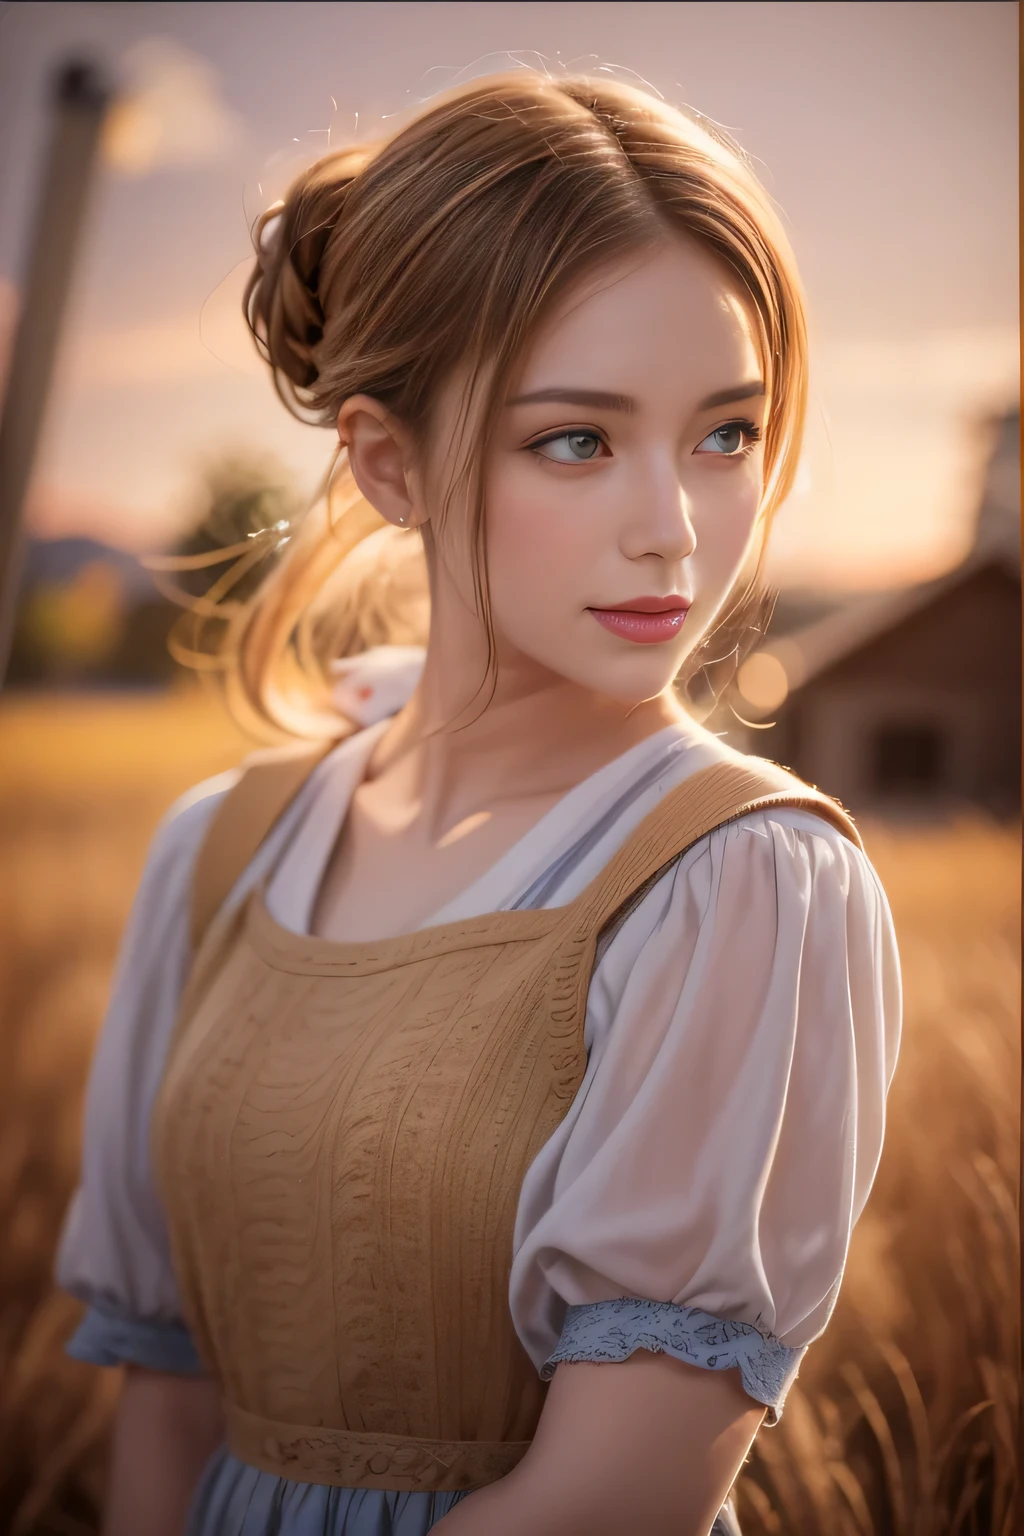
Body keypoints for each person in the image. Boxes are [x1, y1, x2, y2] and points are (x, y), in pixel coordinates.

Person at [54, 72, 901, 1536]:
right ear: (390, 463)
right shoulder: (222, 851)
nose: (671, 527)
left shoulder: (742, 880)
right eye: (576, 439)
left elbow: (612, 1497)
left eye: (726, 434)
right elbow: (167, 1398)